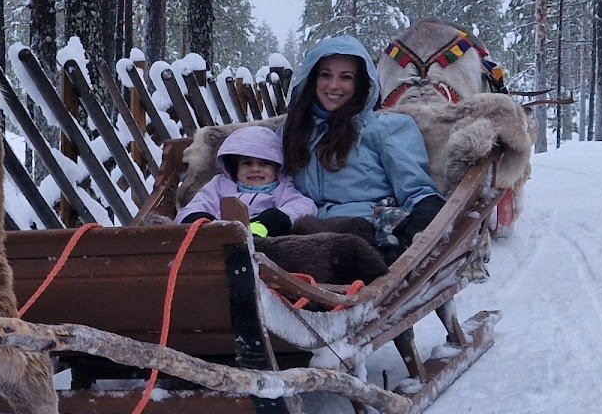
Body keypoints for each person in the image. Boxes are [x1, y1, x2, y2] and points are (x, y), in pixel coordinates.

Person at [282, 34, 444, 253]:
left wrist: (419, 223)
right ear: (312, 79)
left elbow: (417, 191)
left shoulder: (386, 129)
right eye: (325, 75)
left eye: (346, 77)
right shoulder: (294, 130)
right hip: (303, 235)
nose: (334, 85)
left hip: (366, 234)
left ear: (360, 83)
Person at [178, 124, 317, 232]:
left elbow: (304, 206)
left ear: (277, 168)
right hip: (218, 237)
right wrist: (198, 219)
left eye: (264, 163)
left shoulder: (282, 189)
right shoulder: (220, 185)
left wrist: (274, 220)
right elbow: (199, 203)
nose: (255, 169)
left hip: (264, 239)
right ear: (235, 167)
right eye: (247, 163)